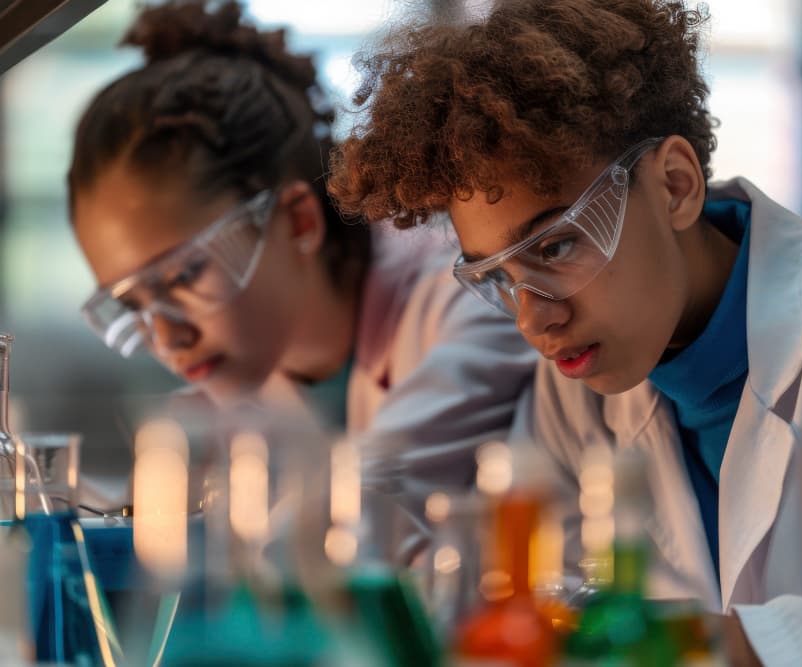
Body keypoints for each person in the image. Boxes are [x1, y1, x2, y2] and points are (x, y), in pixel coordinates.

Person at [327, 0, 802, 664]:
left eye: (557, 248)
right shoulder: (576, 395)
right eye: (498, 279)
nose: (534, 319)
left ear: (675, 186)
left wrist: (742, 645)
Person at [67, 0, 537, 548]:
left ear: (297, 221)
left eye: (185, 276)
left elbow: (358, 522)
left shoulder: (469, 304)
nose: (168, 337)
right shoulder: (244, 395)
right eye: (132, 307)